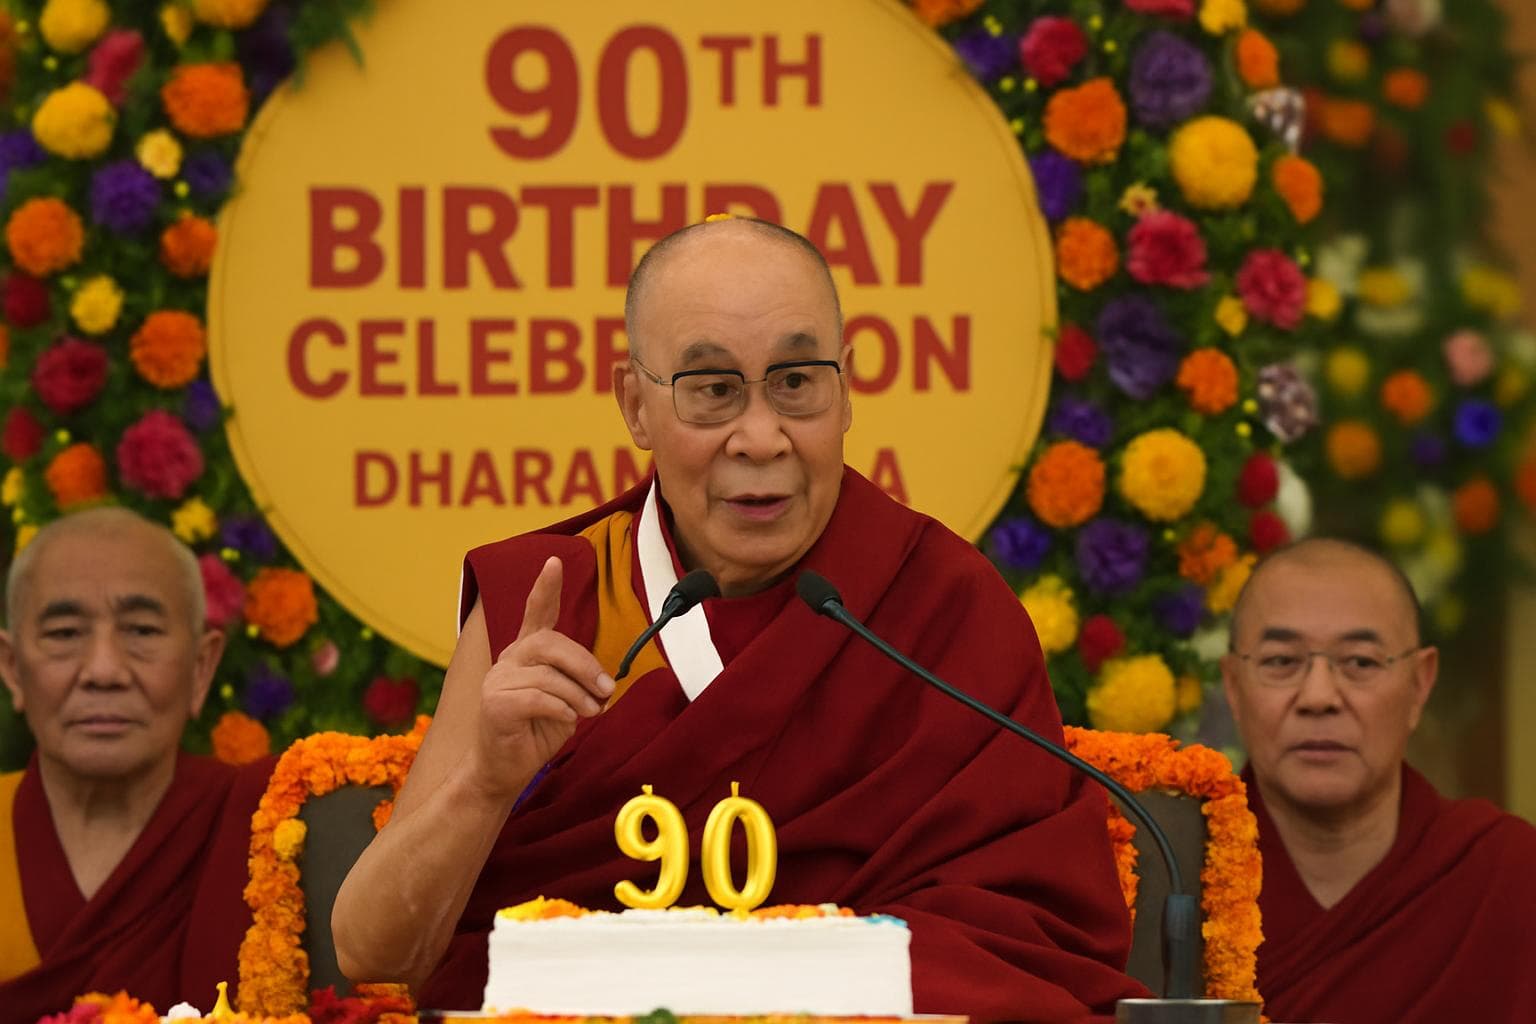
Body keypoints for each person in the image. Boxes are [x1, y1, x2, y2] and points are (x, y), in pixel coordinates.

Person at [333, 217, 1145, 1021]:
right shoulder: (553, 601)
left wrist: (769, 995)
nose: (761, 437)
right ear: (636, 406)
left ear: (847, 387)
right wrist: (484, 784)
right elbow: (374, 953)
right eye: (713, 391)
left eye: (797, 382)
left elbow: (1027, 938)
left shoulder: (941, 604)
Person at [1221, 537, 1536, 1023]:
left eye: (1361, 663)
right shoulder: (1162, 879)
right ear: (1234, 687)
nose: (1319, 696)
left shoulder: (1509, 873)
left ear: (1420, 683)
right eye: (1281, 662)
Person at [0, 508, 272, 1019]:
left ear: (201, 667)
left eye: (143, 631)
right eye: (64, 633)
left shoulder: (267, 832)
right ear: (13, 669)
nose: (104, 670)